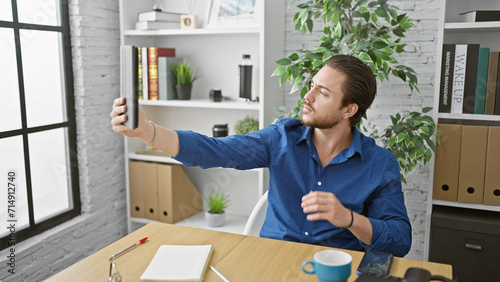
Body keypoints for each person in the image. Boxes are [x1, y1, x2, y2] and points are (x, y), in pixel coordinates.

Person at [110, 54, 412, 257]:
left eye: (323, 93)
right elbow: (215, 150)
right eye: (311, 86)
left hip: (333, 267)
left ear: (349, 110)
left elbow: (400, 240)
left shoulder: (379, 164)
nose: (306, 97)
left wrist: (348, 218)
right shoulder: (281, 138)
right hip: (271, 261)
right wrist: (147, 131)